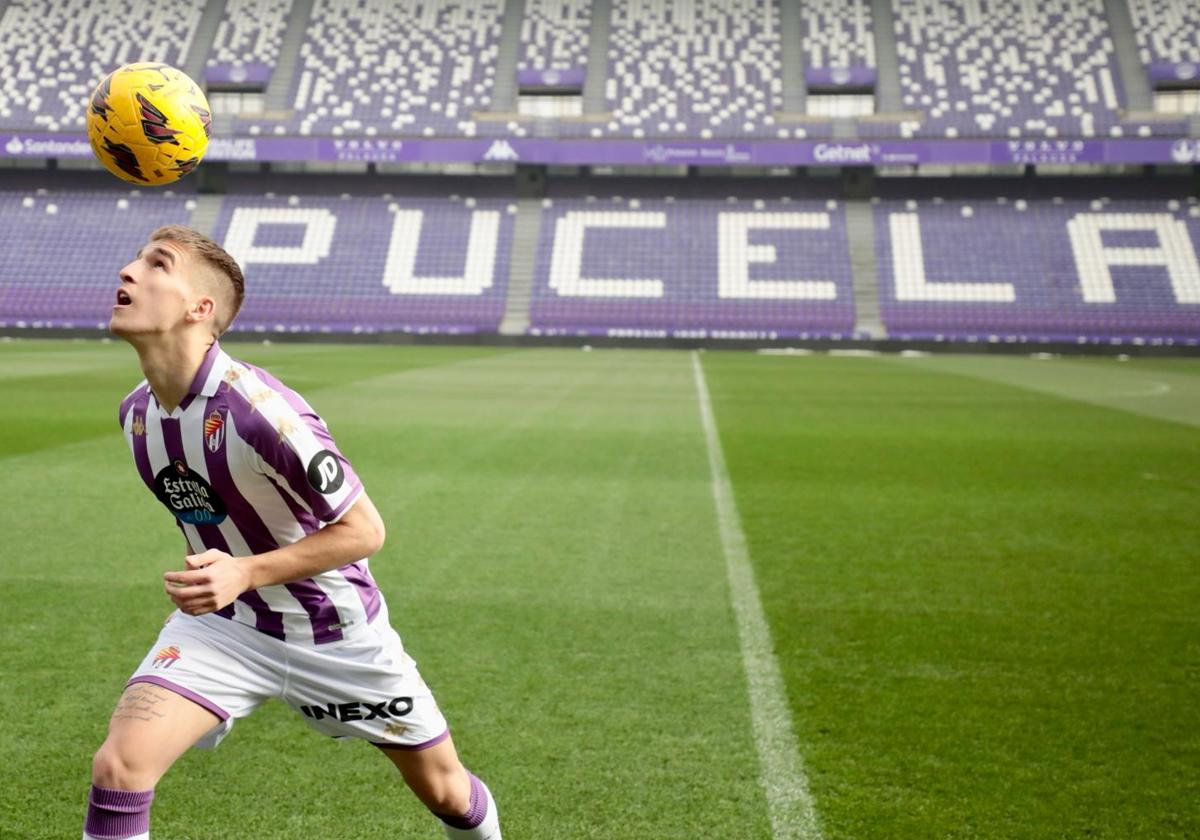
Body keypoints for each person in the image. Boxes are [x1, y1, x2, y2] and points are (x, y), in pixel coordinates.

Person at [83, 224, 501, 840]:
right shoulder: (137, 415)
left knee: (445, 791)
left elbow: (364, 531)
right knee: (120, 767)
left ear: (201, 309)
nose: (127, 271)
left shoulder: (262, 413)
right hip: (225, 630)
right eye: (135, 258)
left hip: (334, 634)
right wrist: (221, 576)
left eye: (156, 264)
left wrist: (244, 571)